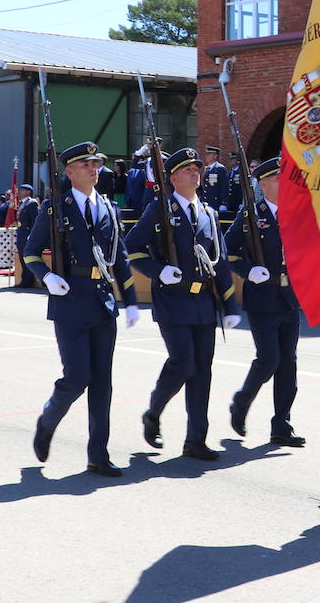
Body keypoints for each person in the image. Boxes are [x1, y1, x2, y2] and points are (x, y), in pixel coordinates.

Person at [22, 142, 141, 477]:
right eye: (86, 164)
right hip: (70, 300)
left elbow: (121, 258)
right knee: (77, 378)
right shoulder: (54, 208)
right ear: (69, 171)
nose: (94, 168)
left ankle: (98, 455)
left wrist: (130, 300)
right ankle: (48, 419)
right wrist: (46, 278)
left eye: (97, 164)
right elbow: (30, 251)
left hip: (102, 301)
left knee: (103, 381)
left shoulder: (108, 207)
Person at [125, 147, 241, 461]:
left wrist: (230, 307)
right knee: (183, 363)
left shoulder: (209, 213)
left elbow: (220, 263)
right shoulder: (159, 210)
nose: (195, 172)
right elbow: (132, 247)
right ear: (173, 177)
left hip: (203, 301)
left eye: (197, 168)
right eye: (187, 169)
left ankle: (195, 440)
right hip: (173, 301)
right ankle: (154, 410)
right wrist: (158, 271)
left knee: (203, 371)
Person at [226, 157, 305, 447]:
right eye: (277, 179)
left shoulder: (296, 214)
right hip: (262, 298)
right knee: (269, 358)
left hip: (288, 298)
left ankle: (281, 425)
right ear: (263, 183)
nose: (284, 184)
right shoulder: (249, 215)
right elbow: (228, 250)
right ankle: (241, 401)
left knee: (289, 365)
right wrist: (248, 271)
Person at [14, 184, 40, 288]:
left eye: (22, 190)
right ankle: (24, 279)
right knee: (21, 257)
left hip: (27, 232)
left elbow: (35, 220)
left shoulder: (32, 203)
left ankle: (28, 281)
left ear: (28, 192)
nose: (19, 192)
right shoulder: (22, 204)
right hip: (21, 232)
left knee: (27, 257)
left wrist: (32, 235)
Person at [199, 145, 229, 214]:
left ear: (215, 156)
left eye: (209, 154)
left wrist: (224, 203)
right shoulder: (207, 169)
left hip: (216, 202)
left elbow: (225, 187)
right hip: (206, 202)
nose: (206, 156)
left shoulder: (220, 168)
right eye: (206, 154)